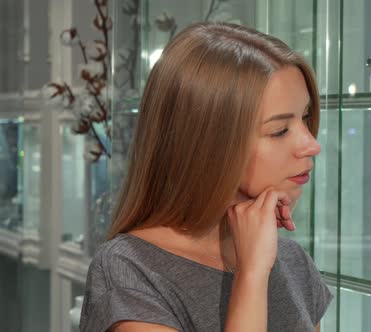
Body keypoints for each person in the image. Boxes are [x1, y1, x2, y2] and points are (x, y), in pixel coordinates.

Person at [79, 22, 332, 332]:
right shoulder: (131, 272)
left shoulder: (293, 262)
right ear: (208, 143)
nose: (312, 144)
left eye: (305, 118)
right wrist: (251, 275)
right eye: (279, 130)